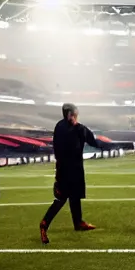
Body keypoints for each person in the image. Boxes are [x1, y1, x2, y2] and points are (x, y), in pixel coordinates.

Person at [39, 103, 108, 244]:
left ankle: (78, 223)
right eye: (75, 113)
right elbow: (94, 142)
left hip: (63, 170)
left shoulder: (59, 127)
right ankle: (44, 223)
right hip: (73, 170)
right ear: (71, 114)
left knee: (72, 197)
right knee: (63, 200)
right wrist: (106, 145)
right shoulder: (79, 129)